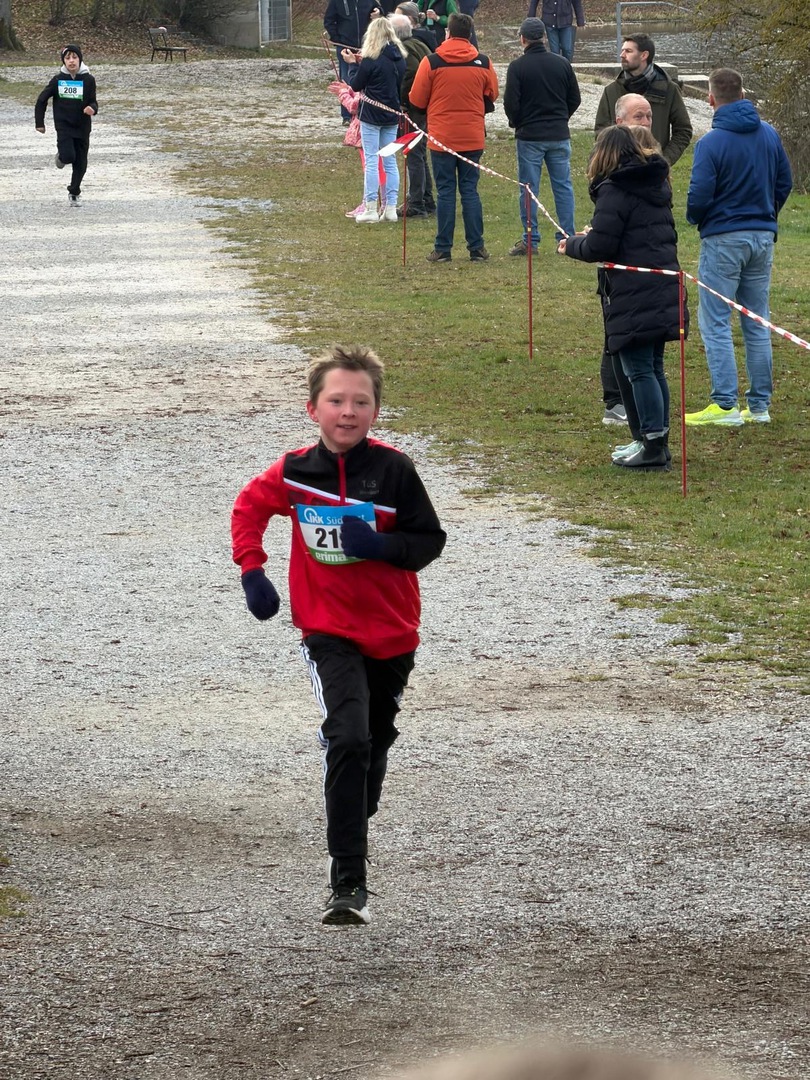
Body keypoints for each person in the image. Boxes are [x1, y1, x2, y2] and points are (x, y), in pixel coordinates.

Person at [231, 345, 446, 926]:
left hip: (392, 632)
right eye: (336, 401)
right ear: (313, 409)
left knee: (374, 739)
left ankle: (355, 798)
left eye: (361, 402)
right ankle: (348, 880)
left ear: (376, 410)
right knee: (348, 737)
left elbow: (429, 541)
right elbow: (248, 508)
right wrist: (253, 570)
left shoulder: (395, 471)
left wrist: (381, 546)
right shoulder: (295, 471)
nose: (347, 412)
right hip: (326, 630)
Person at [558, 125, 687, 470]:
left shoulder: (615, 190)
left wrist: (572, 244)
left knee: (640, 370)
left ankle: (653, 445)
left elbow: (601, 246)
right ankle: (653, 440)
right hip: (660, 286)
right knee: (652, 367)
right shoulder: (653, 184)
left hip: (636, 291)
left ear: (604, 155)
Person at [684, 68, 792, 426]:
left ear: (710, 99)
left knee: (716, 320)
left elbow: (700, 195)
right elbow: (784, 182)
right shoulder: (769, 134)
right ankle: (759, 406)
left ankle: (725, 404)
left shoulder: (711, 143)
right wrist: (767, 212)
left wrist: (696, 217)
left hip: (724, 237)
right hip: (762, 235)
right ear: (743, 94)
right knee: (757, 319)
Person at [409, 11, 499, 262]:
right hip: (472, 136)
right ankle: (476, 247)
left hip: (442, 137)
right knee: (470, 190)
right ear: (469, 34)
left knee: (446, 191)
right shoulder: (483, 62)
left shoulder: (432, 62)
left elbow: (416, 98)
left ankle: (443, 248)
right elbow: (492, 94)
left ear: (448, 32)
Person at [599, 92, 654, 426]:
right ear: (619, 123)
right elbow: (606, 234)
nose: (645, 123)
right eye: (638, 117)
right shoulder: (613, 174)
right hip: (621, 274)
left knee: (648, 359)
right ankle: (615, 401)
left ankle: (649, 430)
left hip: (649, 271)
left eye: (648, 116)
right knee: (617, 338)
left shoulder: (655, 168)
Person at [503, 17, 581, 255]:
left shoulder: (518, 67)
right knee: (563, 186)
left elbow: (511, 103)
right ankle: (566, 236)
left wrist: (517, 122)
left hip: (530, 136)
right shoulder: (562, 63)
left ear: (522, 39)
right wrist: (562, 117)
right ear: (544, 37)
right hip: (558, 133)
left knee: (529, 189)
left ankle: (530, 239)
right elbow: (574, 98)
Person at [342, 17, 407, 223]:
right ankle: (390, 208)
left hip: (371, 115)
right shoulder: (400, 59)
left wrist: (353, 65)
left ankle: (370, 207)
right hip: (391, 114)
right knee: (390, 161)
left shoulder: (371, 60)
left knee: (372, 160)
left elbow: (355, 85)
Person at [595, 34, 692, 167]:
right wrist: (615, 159)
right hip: (620, 169)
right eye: (622, 50)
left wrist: (664, 160)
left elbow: (683, 130)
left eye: (628, 51)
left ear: (644, 55)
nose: (622, 55)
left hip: (656, 170)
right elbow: (601, 131)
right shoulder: (611, 91)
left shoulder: (669, 89)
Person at [35, 44, 98, 208]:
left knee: (81, 163)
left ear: (80, 59)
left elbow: (93, 101)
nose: (71, 61)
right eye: (67, 58)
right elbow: (42, 99)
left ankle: (74, 192)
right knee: (69, 156)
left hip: (82, 127)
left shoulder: (88, 80)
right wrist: (39, 123)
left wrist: (92, 109)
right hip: (64, 126)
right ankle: (62, 157)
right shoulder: (58, 80)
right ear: (63, 61)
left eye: (74, 57)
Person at [391, 13, 434, 218]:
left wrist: (404, 101)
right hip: (424, 107)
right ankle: (427, 199)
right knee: (420, 154)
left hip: (414, 109)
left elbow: (411, 72)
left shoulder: (405, 48)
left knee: (414, 154)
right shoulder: (419, 44)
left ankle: (416, 203)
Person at [323, 0, 382, 122]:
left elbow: (379, 10)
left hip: (366, 47)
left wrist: (379, 12)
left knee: (366, 78)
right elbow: (329, 21)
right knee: (346, 78)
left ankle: (363, 112)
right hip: (345, 46)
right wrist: (337, 40)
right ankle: (347, 115)